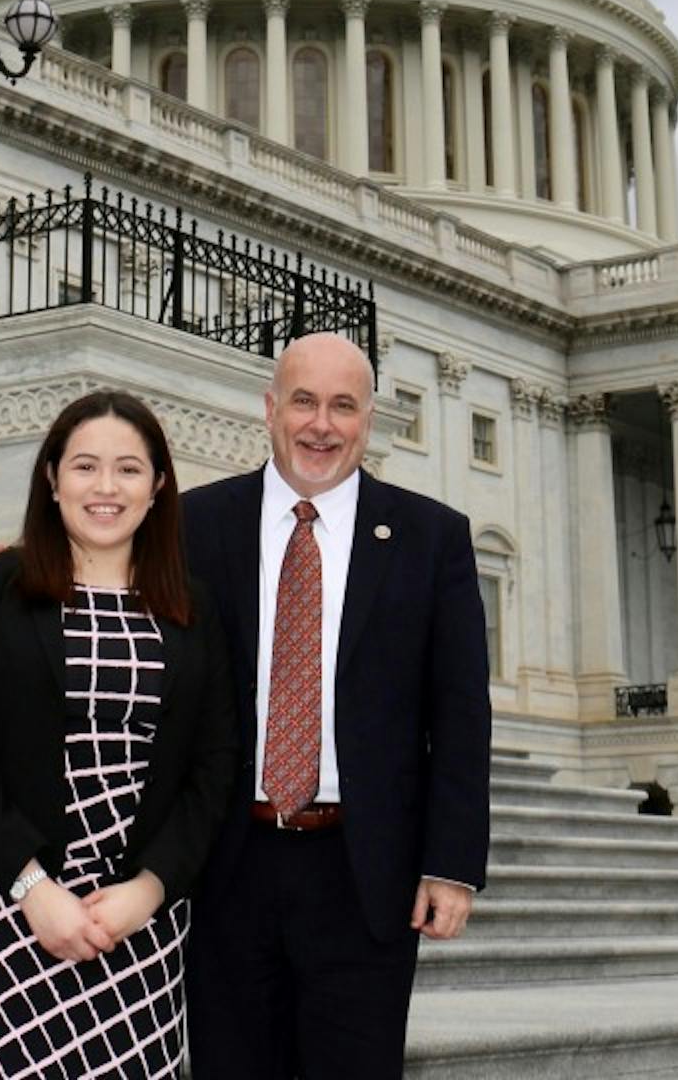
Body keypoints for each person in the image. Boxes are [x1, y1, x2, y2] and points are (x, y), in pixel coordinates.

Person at [182, 332, 492, 1080]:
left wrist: (450, 865)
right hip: (226, 862)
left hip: (364, 871)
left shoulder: (431, 538)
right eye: (305, 402)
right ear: (270, 409)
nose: (322, 425)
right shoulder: (195, 523)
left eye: (343, 406)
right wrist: (9, 570)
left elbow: (458, 713)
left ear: (369, 419)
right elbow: (105, 574)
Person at [0, 390, 238, 1079]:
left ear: (158, 487)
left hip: (142, 912)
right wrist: (34, 888)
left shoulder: (192, 606)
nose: (106, 487)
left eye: (129, 469)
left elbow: (215, 768)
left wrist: (150, 889)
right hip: (12, 904)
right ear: (51, 478)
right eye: (85, 466)